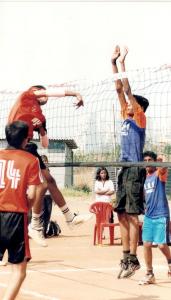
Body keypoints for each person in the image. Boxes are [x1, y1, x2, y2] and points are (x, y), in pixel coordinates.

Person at [8, 85, 90, 247]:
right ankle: (36, 226)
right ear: (35, 91)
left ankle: (69, 218)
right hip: (16, 146)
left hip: (28, 146)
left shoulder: (40, 116)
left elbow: (45, 144)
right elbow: (49, 92)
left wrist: (42, 129)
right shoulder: (27, 96)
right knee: (39, 186)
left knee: (49, 181)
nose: (46, 96)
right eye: (42, 92)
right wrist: (76, 93)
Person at [111, 45, 149, 279]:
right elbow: (118, 89)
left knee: (133, 216)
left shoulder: (140, 118)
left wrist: (124, 62)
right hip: (123, 170)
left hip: (135, 170)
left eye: (130, 103)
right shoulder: (126, 115)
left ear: (138, 107)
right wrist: (112, 62)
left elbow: (126, 89)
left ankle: (134, 258)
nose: (125, 104)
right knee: (121, 215)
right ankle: (126, 257)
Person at [0, 120, 42, 300]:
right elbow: (32, 194)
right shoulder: (31, 160)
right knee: (19, 271)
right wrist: (28, 208)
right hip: (15, 216)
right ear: (26, 140)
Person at [138, 151, 171, 285]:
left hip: (161, 214)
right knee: (146, 244)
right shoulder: (144, 178)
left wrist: (160, 160)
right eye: (144, 160)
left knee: (162, 245)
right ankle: (149, 273)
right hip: (149, 216)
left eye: (149, 160)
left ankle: (170, 261)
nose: (147, 162)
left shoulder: (159, 174)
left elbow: (163, 168)